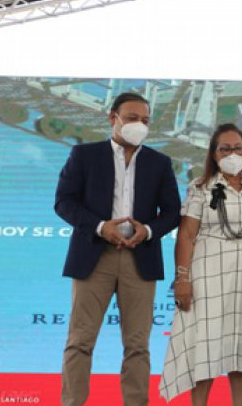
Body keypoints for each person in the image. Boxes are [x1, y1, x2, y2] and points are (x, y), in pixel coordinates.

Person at [54, 92, 181, 406]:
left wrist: (148, 230)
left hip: (140, 259)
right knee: (80, 341)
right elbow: (64, 202)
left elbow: (173, 211)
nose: (139, 125)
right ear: (113, 118)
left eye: (145, 120)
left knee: (138, 345)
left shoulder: (160, 162)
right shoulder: (84, 155)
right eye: (132, 118)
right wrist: (101, 226)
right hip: (93, 257)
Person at [159, 123, 242, 405]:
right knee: (205, 345)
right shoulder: (201, 187)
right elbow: (187, 235)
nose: (232, 153)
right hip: (208, 275)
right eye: (225, 148)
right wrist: (182, 278)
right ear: (214, 154)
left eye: (237, 147)